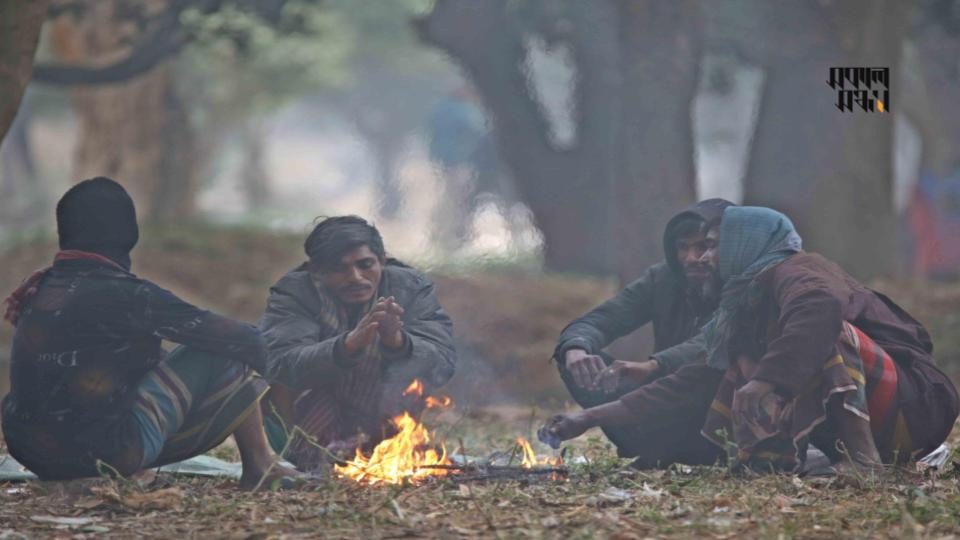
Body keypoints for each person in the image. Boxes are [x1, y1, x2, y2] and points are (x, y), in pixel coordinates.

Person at [1, 177, 297, 489]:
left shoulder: (40, 287)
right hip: (106, 454)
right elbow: (246, 341)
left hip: (32, 451)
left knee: (147, 361)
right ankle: (263, 464)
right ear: (128, 233)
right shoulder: (129, 294)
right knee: (227, 350)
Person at [692, 206, 958, 473]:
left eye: (713, 246)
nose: (703, 258)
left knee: (825, 332)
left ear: (744, 241)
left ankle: (863, 458)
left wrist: (766, 380)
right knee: (744, 359)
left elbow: (820, 306)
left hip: (917, 410)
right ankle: (763, 460)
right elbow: (693, 375)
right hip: (875, 425)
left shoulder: (797, 268)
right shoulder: (747, 301)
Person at [259, 216, 456, 470]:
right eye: (340, 269)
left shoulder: (409, 288)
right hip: (314, 410)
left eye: (365, 265)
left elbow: (442, 362)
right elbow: (281, 363)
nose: (355, 277)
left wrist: (397, 342)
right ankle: (313, 457)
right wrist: (347, 345)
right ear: (317, 272)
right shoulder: (295, 293)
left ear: (382, 260)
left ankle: (388, 451)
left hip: (388, 408)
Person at [547, 199, 733, 467]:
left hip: (713, 409)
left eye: (703, 247)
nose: (692, 259)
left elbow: (710, 344)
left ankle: (696, 452)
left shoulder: (741, 283)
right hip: (660, 399)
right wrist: (576, 347)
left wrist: (654, 365)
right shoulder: (663, 279)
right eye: (683, 247)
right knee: (576, 358)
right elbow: (602, 319)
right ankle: (653, 448)